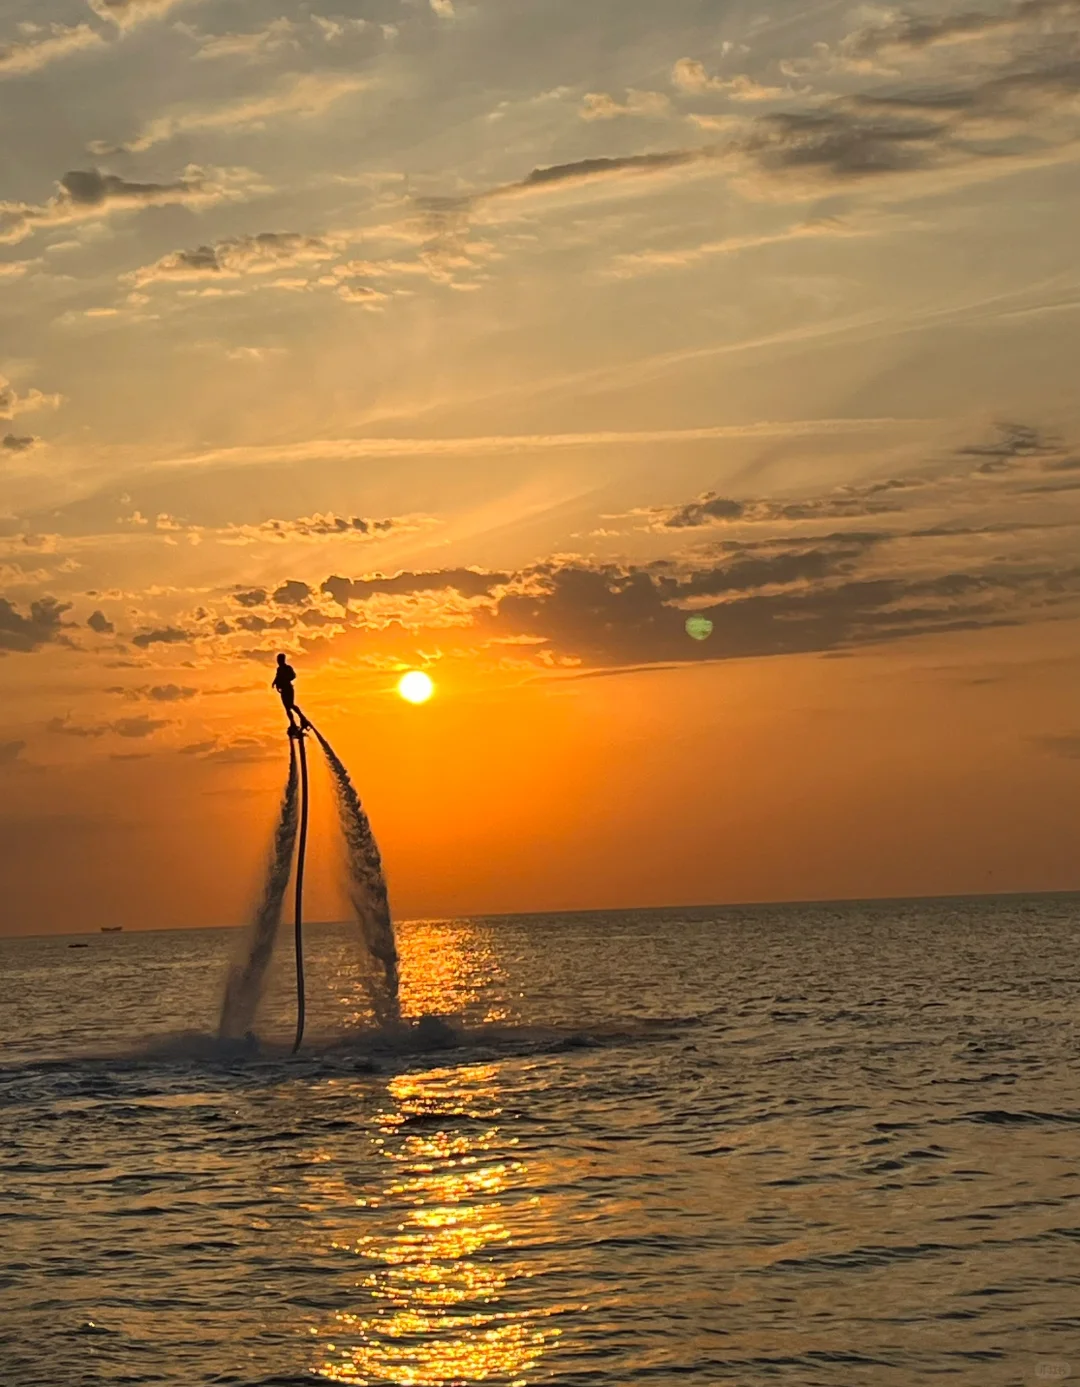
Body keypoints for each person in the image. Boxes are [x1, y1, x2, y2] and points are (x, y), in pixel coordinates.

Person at [272, 653, 305, 730]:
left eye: (279, 660)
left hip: (288, 689)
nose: (278, 661)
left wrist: (285, 680)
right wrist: (274, 683)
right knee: (287, 708)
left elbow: (293, 676)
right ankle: (292, 723)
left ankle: (302, 717)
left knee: (291, 705)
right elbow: (277, 677)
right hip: (283, 690)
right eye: (278, 660)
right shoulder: (279, 669)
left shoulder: (288, 668)